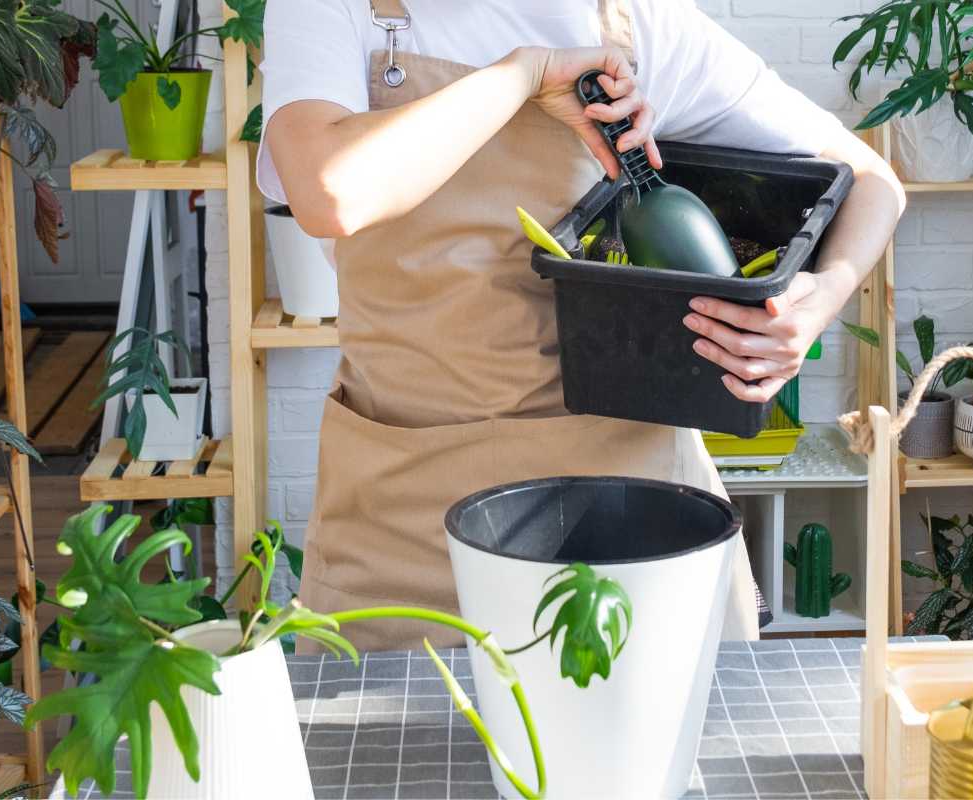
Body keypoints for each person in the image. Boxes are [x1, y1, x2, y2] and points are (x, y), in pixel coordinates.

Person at [260, 0, 905, 651]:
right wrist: (523, 76)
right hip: (403, 527)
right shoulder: (331, 9)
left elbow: (871, 180)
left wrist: (821, 296)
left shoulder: (627, 21)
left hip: (631, 518)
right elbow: (329, 190)